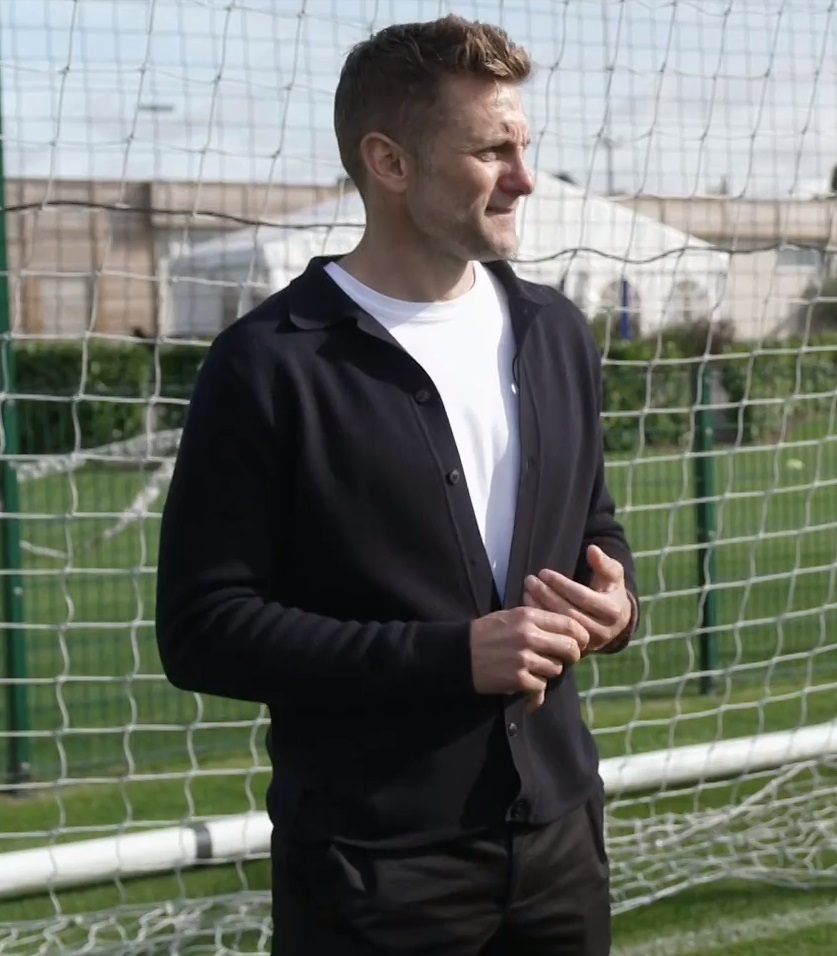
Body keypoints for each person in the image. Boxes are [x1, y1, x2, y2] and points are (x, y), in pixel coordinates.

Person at [154, 15, 639, 955]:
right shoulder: (269, 365)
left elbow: (595, 526)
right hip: (373, 868)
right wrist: (451, 657)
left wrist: (614, 602)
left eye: (524, 145)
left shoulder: (557, 334)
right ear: (390, 162)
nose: (524, 177)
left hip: (561, 842)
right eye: (491, 150)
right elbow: (203, 629)